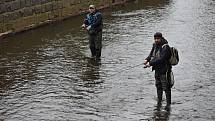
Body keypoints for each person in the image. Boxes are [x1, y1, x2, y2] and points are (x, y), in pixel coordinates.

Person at [144, 32, 172, 110]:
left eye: (158, 39)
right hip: (157, 70)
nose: (156, 40)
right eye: (155, 39)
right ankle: (159, 102)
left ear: (161, 38)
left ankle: (168, 105)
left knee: (166, 87)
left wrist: (150, 63)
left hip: (165, 70)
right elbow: (151, 55)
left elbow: (161, 59)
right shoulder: (155, 45)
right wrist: (147, 59)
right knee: (158, 86)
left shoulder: (165, 47)